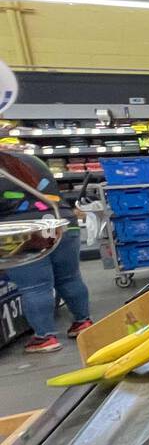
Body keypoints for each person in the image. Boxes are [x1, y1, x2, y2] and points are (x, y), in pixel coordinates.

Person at [0, 148, 93, 353]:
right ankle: (83, 322)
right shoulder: (27, 158)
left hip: (23, 231)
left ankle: (44, 337)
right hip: (63, 222)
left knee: (35, 287)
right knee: (69, 278)